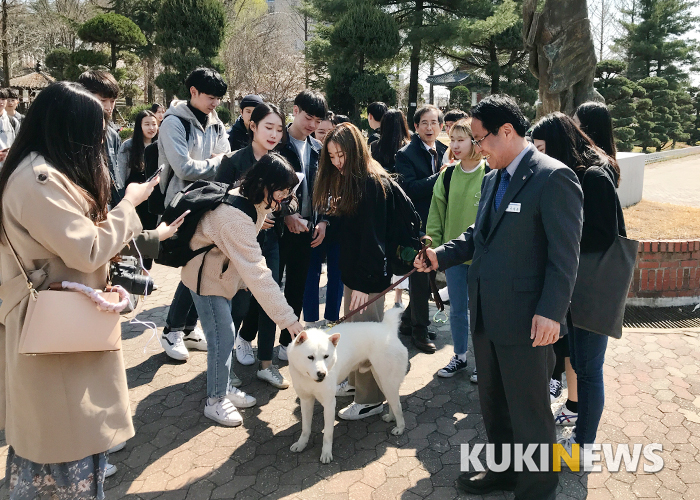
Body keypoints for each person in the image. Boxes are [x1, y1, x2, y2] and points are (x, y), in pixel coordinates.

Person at [415, 95, 583, 500]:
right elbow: (479, 235)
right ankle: (505, 473)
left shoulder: (553, 177)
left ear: (506, 131)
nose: (476, 147)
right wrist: (440, 255)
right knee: (494, 403)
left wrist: (551, 313)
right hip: (487, 313)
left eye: (480, 138)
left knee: (529, 410)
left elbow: (566, 257)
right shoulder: (493, 176)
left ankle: (537, 486)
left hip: (528, 320)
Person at [0, 81, 158, 500]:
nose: (101, 139)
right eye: (95, 129)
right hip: (51, 334)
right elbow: (87, 248)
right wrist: (131, 204)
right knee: (59, 447)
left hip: (61, 325)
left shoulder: (41, 172)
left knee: (64, 444)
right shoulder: (37, 179)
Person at [182, 153, 304, 426]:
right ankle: (214, 400)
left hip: (224, 275)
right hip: (207, 280)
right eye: (282, 191)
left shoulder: (252, 196)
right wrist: (288, 319)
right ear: (264, 184)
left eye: (288, 191)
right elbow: (258, 273)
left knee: (225, 334)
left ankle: (222, 387)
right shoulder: (234, 218)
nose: (285, 198)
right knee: (222, 337)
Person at [531, 112, 624, 451]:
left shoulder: (594, 177)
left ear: (557, 144)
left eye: (542, 148)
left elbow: (606, 235)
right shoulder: (571, 174)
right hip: (576, 287)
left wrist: (563, 236)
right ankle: (579, 427)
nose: (538, 156)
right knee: (580, 363)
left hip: (594, 289)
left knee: (587, 370)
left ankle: (584, 444)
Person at [313, 122, 393, 419]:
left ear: (356, 150)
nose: (336, 162)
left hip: (368, 278)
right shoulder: (352, 180)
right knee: (354, 335)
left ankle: (371, 398)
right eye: (331, 156)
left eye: (341, 155)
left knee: (368, 339)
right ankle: (357, 386)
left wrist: (361, 282)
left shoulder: (371, 182)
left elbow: (372, 240)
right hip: (355, 275)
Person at [215, 102, 291, 388]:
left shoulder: (280, 160)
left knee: (270, 297)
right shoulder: (233, 161)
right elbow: (218, 199)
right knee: (237, 305)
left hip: (270, 242)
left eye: (279, 129)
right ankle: (227, 368)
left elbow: (289, 198)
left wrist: (276, 211)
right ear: (252, 126)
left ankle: (267, 365)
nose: (274, 134)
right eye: (268, 127)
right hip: (236, 246)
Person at [158, 67, 231, 362]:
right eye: (210, 97)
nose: (215, 104)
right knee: (192, 263)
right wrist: (215, 162)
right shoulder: (173, 123)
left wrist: (216, 161)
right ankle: (172, 329)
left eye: (218, 99)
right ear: (193, 92)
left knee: (201, 262)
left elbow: (227, 158)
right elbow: (184, 168)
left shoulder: (216, 124)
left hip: (210, 202)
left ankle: (186, 327)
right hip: (182, 204)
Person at [426, 118, 485, 381]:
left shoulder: (491, 173)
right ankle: (460, 356)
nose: (455, 145)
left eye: (461, 139)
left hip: (483, 259)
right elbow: (436, 215)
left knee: (483, 313)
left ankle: (483, 362)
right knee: (458, 309)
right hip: (453, 257)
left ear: (476, 141)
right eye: (452, 140)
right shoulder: (447, 174)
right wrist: (433, 249)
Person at [277, 89, 328, 361]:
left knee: (296, 286)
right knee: (268, 285)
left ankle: (288, 340)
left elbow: (324, 191)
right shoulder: (277, 143)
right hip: (277, 229)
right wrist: (285, 214)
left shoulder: (317, 149)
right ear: (295, 111)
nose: (312, 125)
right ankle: (247, 337)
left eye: (318, 121)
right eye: (309, 117)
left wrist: (323, 222)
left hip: (307, 229)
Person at [395, 104, 447, 353]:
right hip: (418, 225)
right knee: (419, 276)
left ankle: (408, 321)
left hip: (440, 222)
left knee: (427, 277)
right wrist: (442, 175)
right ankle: (419, 330)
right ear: (415, 127)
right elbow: (412, 189)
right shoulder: (405, 154)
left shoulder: (446, 150)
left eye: (434, 122)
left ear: (441, 126)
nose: (429, 127)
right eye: (424, 123)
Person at [369, 108, 411, 306]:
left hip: (380, 204)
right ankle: (398, 297)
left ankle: (381, 291)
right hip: (401, 206)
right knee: (400, 251)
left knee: (382, 249)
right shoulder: (407, 147)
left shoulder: (374, 146)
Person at [77, 70, 123, 205]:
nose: (108, 107)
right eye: (102, 100)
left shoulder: (113, 135)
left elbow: (115, 175)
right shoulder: (73, 132)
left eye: (112, 101)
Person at [117, 110, 161, 236]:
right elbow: (121, 175)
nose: (151, 128)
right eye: (147, 124)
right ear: (139, 126)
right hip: (135, 196)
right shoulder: (129, 146)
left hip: (154, 197)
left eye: (154, 124)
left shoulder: (161, 145)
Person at [0, 89, 16, 165]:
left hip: (8, 166)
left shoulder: (13, 121)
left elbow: (18, 142)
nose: (1, 102)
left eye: (3, 99)